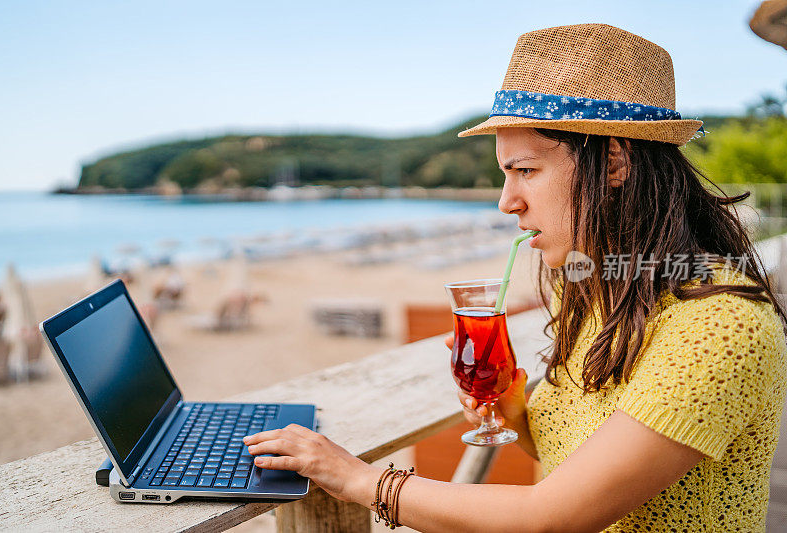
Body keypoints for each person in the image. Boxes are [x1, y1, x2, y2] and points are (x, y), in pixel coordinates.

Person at [241, 24, 787, 531]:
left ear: (616, 161)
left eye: (525, 170)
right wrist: (514, 412)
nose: (508, 202)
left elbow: (552, 517)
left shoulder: (719, 326)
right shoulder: (602, 288)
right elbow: (576, 460)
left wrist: (360, 480)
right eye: (505, 175)